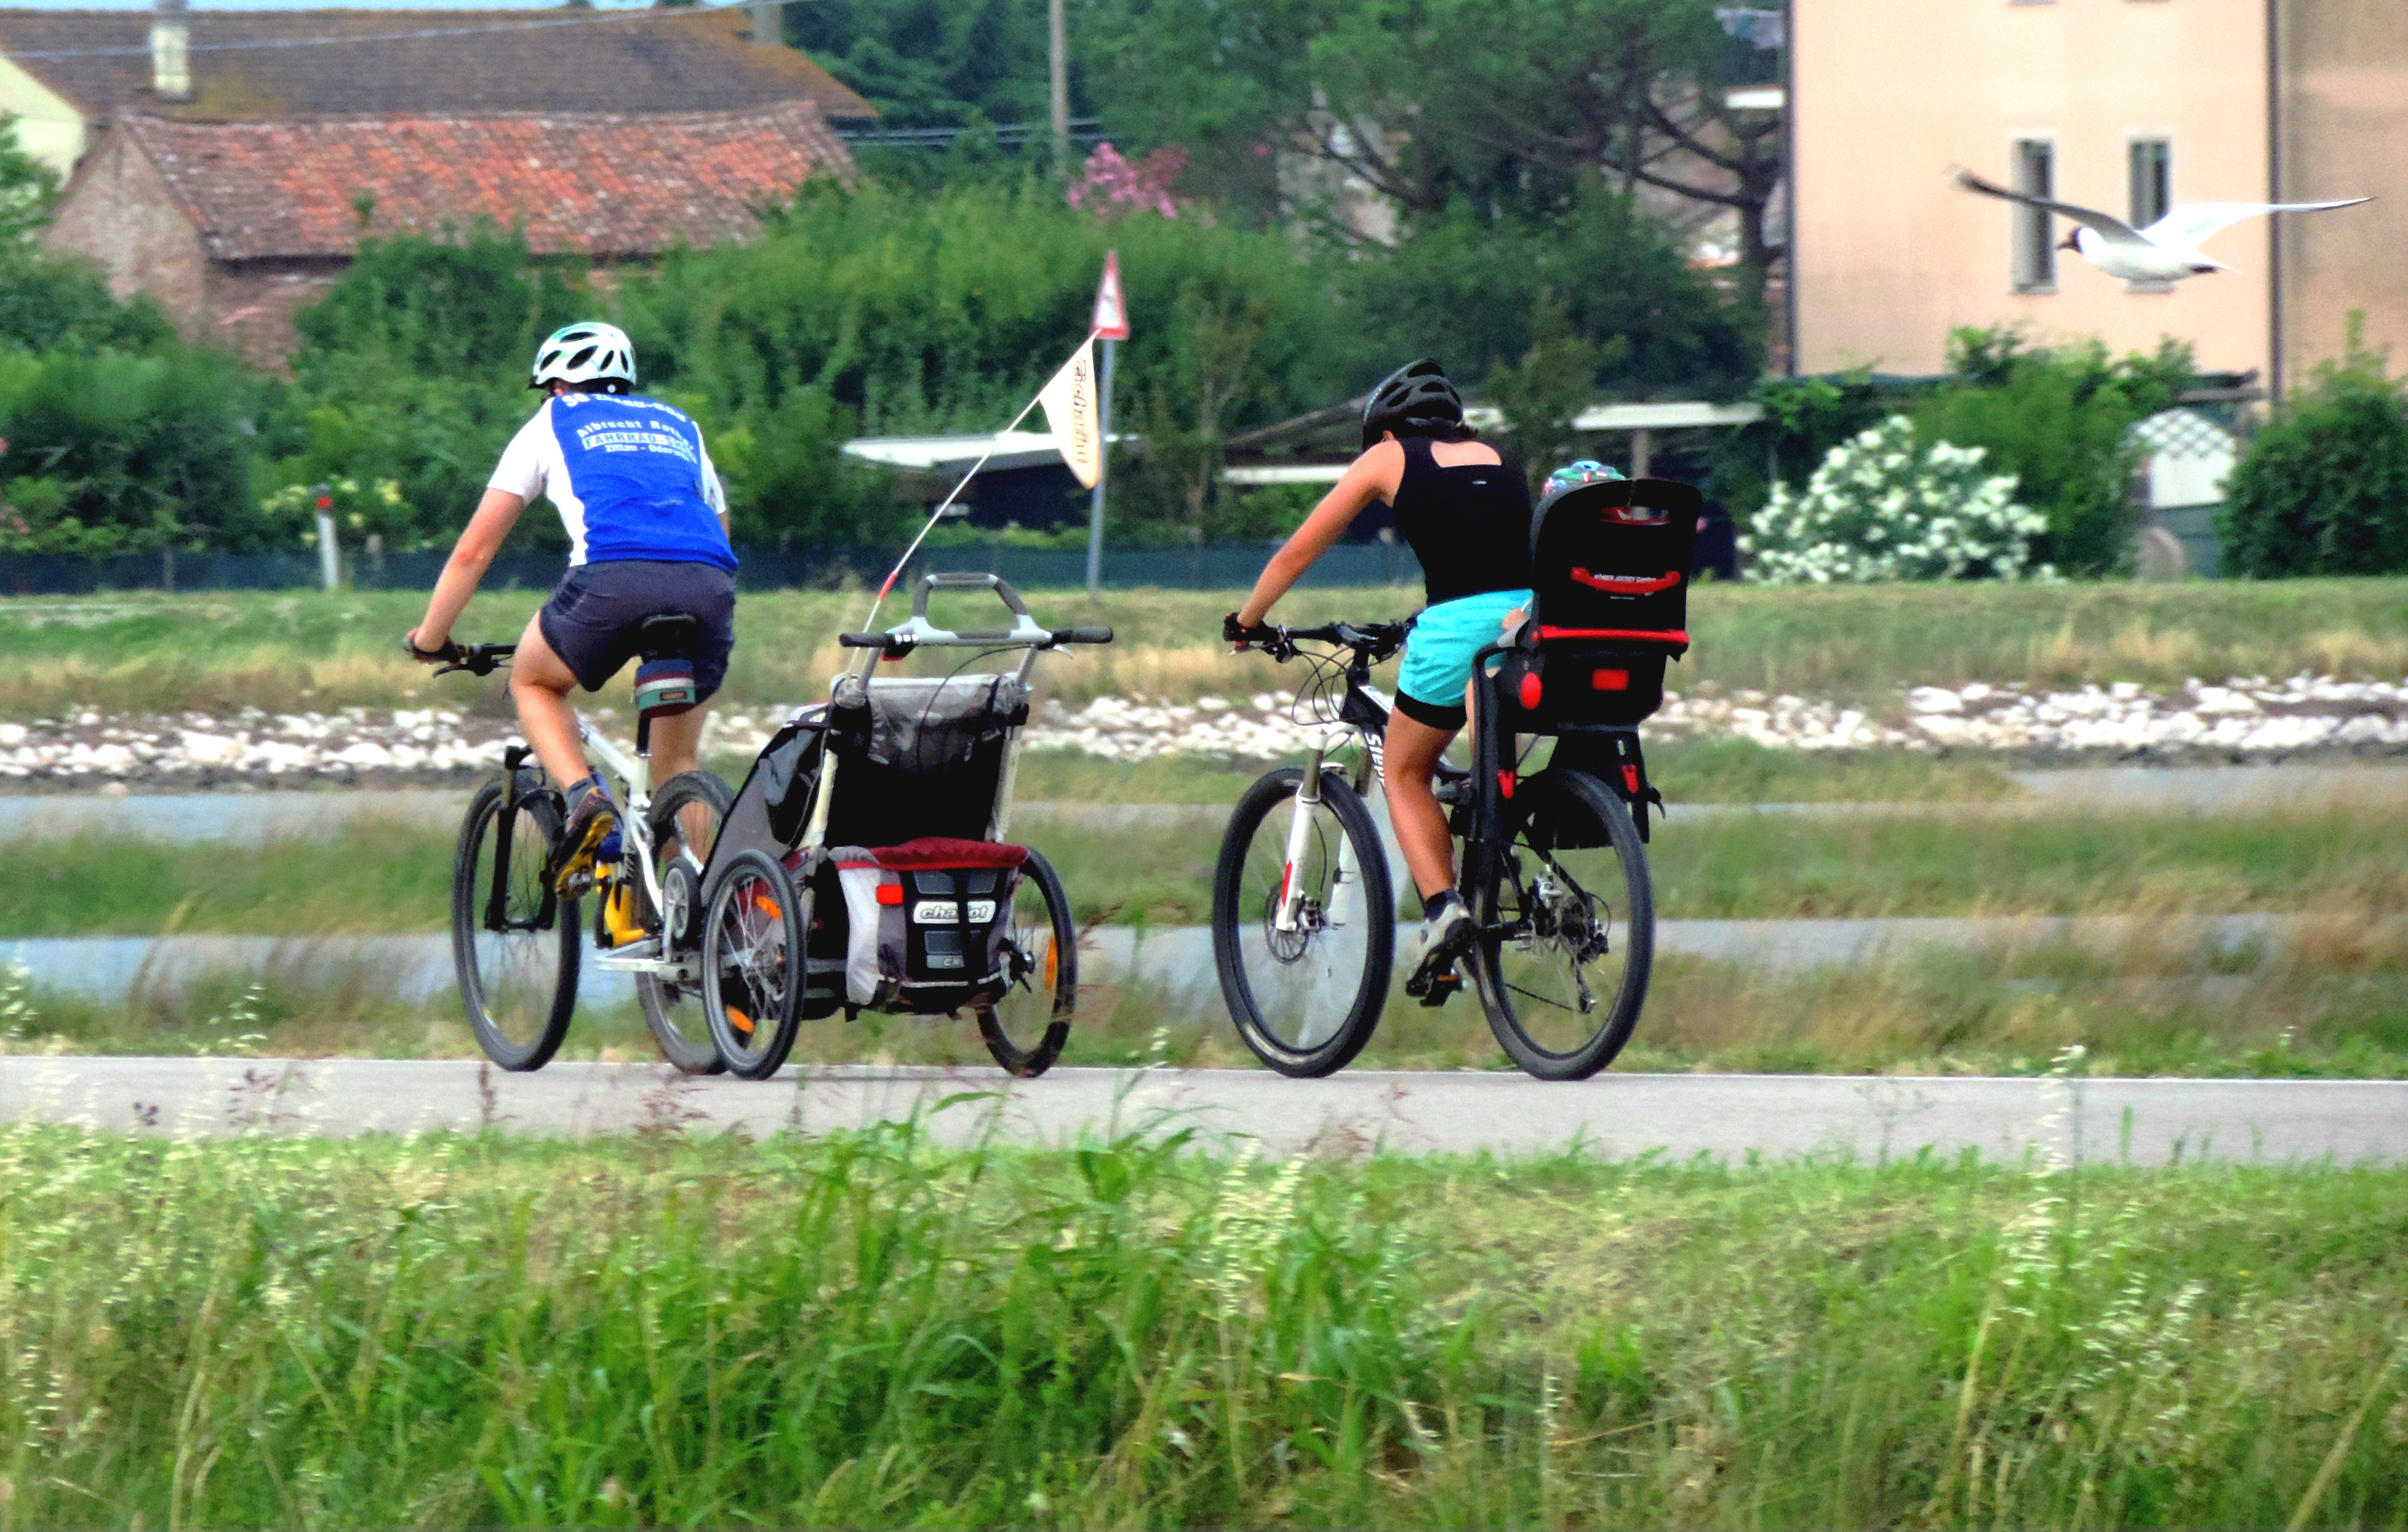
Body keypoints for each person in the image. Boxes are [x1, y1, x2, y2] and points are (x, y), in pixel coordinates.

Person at [1225, 358, 1532, 988]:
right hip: (1529, 624)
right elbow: (1488, 550)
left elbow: (1297, 551)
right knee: (1488, 771)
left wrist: (1249, 621)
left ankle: (1444, 911)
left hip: (1455, 633)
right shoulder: (1498, 456)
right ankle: (1498, 854)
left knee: (1405, 770)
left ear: (1387, 430)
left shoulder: (1387, 457)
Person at [405, 321, 738, 895]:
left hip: (611, 579)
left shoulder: (552, 422)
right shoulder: (680, 425)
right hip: (708, 585)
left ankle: (585, 797)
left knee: (534, 682)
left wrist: (432, 637)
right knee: (678, 765)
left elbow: (473, 549)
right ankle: (728, 916)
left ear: (556, 384)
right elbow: (719, 523)